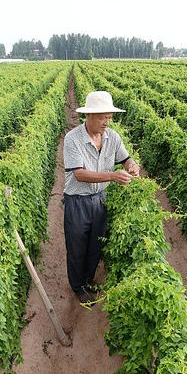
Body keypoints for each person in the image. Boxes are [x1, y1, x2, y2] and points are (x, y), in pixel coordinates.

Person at [63, 91, 140, 304]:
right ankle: (77, 286)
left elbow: (126, 158)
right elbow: (79, 174)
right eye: (102, 117)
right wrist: (112, 176)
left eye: (109, 117)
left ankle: (88, 280)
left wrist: (132, 166)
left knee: (96, 244)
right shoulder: (73, 139)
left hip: (100, 199)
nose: (107, 122)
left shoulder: (112, 137)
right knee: (77, 245)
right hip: (77, 201)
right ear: (88, 116)